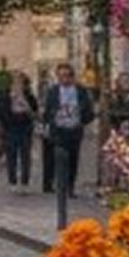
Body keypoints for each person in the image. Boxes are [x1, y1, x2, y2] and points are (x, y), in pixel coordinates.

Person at [41, 62, 98, 201]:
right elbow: (47, 110)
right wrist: (49, 122)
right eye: (61, 76)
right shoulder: (53, 91)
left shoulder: (80, 91)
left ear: (72, 77)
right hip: (58, 129)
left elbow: (88, 110)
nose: (64, 79)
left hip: (74, 129)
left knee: (73, 159)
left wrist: (82, 120)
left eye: (67, 76)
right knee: (57, 157)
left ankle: (69, 187)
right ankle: (53, 183)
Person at [0, 71, 39, 194]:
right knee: (11, 157)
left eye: (20, 82)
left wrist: (26, 105)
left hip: (25, 129)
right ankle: (13, 182)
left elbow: (35, 114)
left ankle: (25, 182)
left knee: (25, 157)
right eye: (15, 82)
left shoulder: (29, 97)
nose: (17, 85)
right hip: (10, 130)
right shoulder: (4, 97)